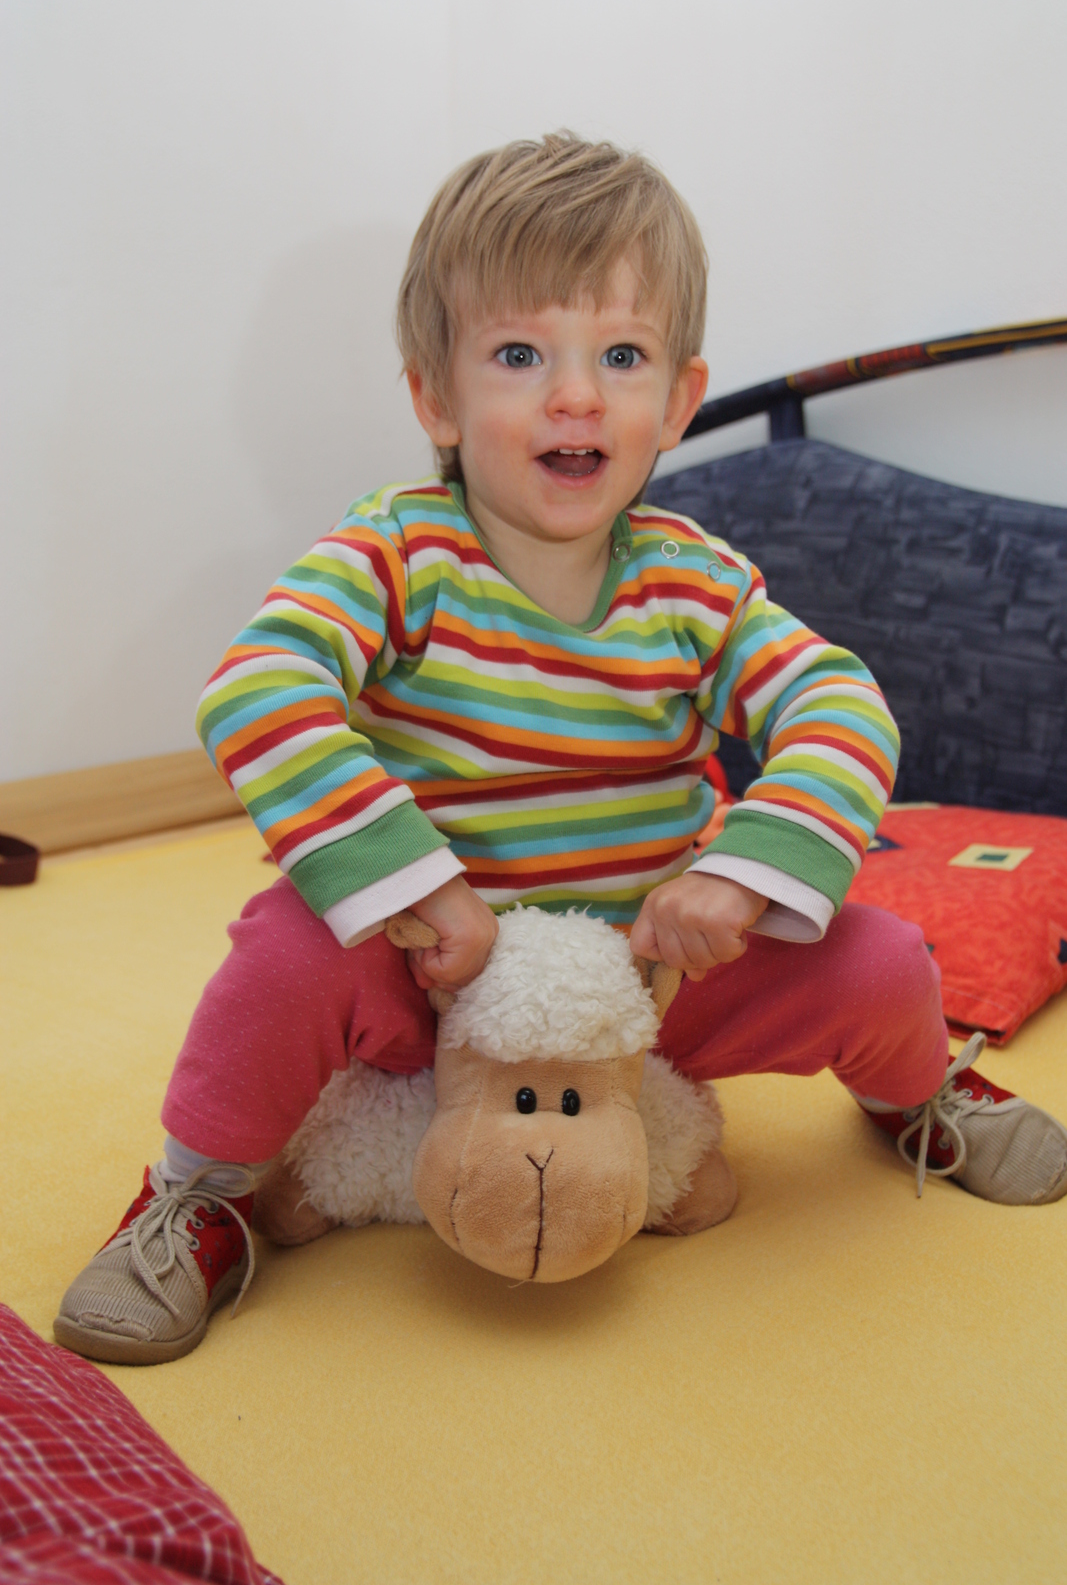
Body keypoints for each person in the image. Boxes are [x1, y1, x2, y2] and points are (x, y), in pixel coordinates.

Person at [55, 134, 1067, 1366]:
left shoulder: (697, 583)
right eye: (520, 354)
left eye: (620, 356)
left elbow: (838, 704)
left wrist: (737, 874)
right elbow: (258, 688)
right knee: (281, 956)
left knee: (883, 959)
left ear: (677, 401)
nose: (575, 395)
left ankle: (916, 1095)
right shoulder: (393, 554)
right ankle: (199, 1194)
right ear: (436, 398)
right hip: (430, 977)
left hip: (647, 980)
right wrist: (419, 892)